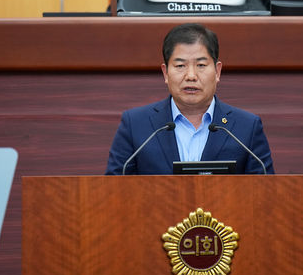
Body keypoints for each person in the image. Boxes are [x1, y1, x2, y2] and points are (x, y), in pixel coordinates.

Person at [106, 23, 274, 174]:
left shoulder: (246, 127)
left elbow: (266, 194)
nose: (191, 76)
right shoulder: (135, 125)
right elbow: (113, 191)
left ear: (217, 71)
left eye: (201, 65)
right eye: (180, 66)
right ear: (165, 73)